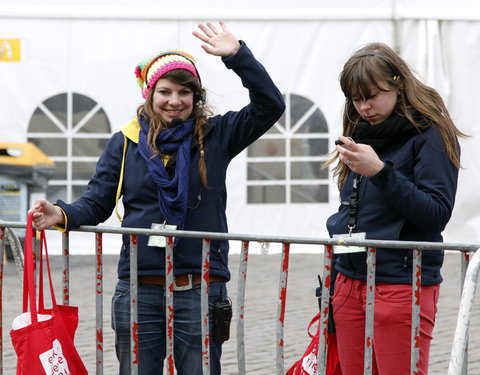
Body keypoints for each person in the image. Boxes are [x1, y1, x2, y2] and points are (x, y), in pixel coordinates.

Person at [29, 21, 285, 374]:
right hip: (138, 291)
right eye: (165, 91)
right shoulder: (126, 141)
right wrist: (60, 213)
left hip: (199, 289)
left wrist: (238, 57)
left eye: (185, 92)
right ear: (149, 93)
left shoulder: (216, 135)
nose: (175, 101)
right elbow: (97, 201)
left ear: (196, 97)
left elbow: (270, 106)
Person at [325, 42, 467, 375]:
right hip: (349, 281)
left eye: (371, 95)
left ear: (397, 84)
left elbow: (436, 213)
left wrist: (380, 172)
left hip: (403, 283)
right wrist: (331, 287)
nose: (364, 107)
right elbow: (350, 212)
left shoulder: (430, 134)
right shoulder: (361, 131)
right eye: (356, 99)